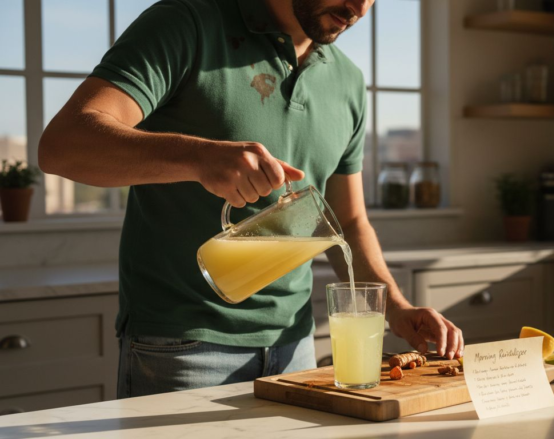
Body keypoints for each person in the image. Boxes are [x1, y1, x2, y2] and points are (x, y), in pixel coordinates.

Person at [39, 0, 463, 398]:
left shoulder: (348, 82)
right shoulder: (187, 23)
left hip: (294, 345)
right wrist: (198, 158)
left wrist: (397, 308)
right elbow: (62, 145)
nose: (358, 9)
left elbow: (347, 222)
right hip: (181, 346)